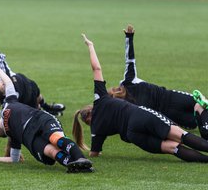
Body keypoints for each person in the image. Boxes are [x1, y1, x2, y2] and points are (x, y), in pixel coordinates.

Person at [72, 34, 208, 163]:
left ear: (87, 121)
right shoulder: (100, 99)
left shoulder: (96, 129)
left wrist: (91, 152)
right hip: (140, 116)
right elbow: (96, 68)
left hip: (133, 135)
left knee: (173, 147)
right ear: (91, 108)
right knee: (181, 136)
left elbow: (94, 153)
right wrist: (90, 46)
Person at [0, 68, 93, 173]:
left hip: (38, 119)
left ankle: (81, 158)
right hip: (30, 138)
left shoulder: (8, 104)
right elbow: (14, 159)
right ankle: (76, 166)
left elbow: (8, 83)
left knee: (55, 139)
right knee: (51, 152)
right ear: (1, 132)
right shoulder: (12, 136)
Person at [108, 24, 208, 139]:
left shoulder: (127, 105)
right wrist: (129, 37)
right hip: (169, 99)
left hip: (167, 113)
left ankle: (205, 129)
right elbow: (129, 60)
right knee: (199, 105)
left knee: (196, 116)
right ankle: (205, 125)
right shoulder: (128, 83)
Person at [0, 22, 65, 116]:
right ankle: (44, 113)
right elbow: (8, 112)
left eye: (0, 81)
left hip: (29, 84)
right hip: (26, 99)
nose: (3, 81)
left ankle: (47, 107)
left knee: (38, 95)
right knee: (36, 111)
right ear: (3, 93)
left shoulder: (4, 73)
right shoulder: (9, 97)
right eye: (2, 85)